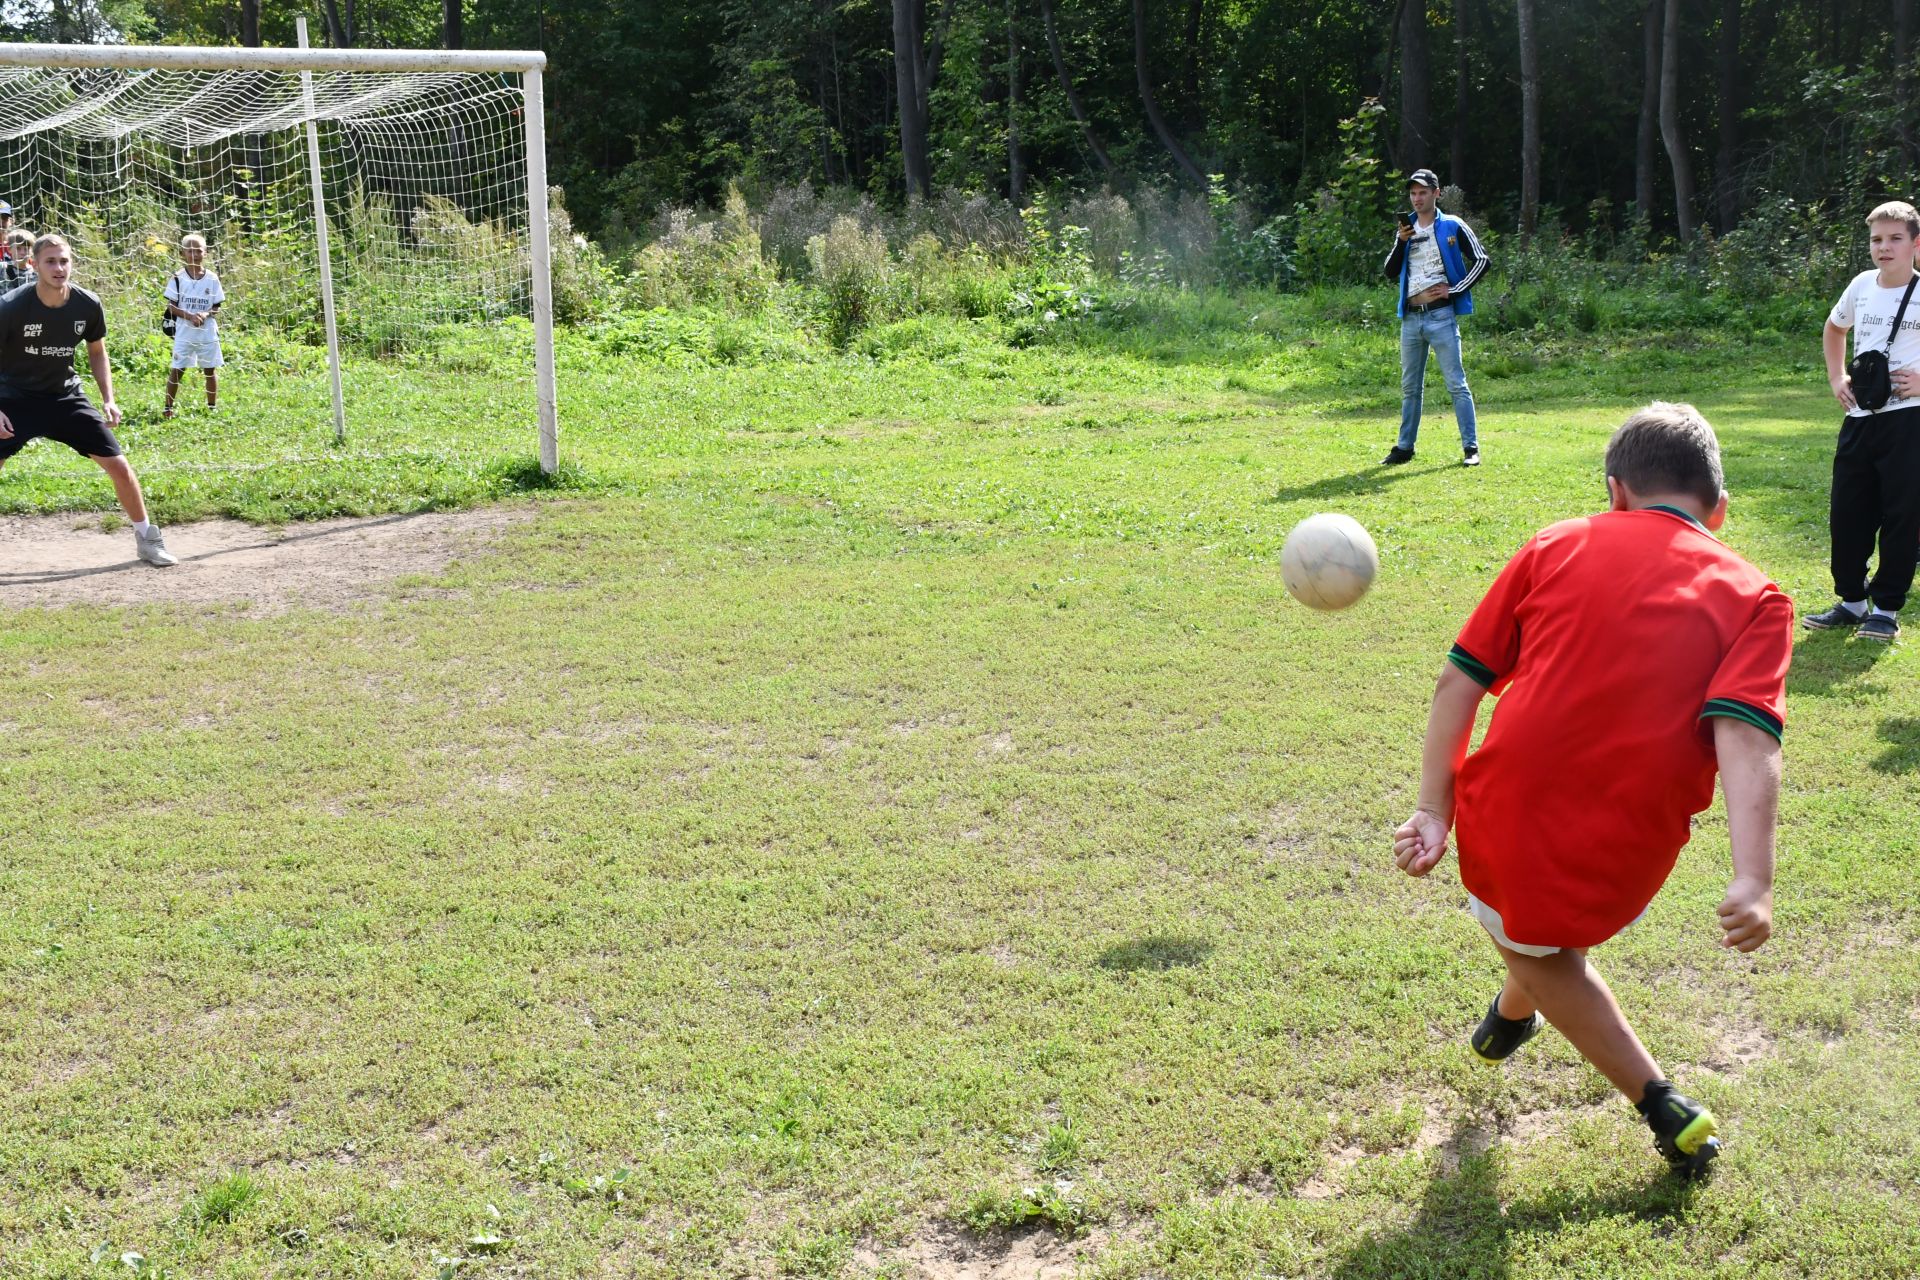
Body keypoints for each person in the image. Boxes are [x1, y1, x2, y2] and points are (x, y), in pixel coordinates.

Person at [1393, 402, 1790, 1177]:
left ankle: (1660, 1103)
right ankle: (1512, 1016)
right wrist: (1753, 877)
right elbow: (1746, 737)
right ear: (1721, 510)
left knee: (1534, 940)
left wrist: (1434, 807)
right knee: (1540, 931)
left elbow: (1458, 682)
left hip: (1510, 809)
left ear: (1616, 492)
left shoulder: (1557, 543)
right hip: (1636, 842)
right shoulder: (1757, 595)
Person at [0, 233, 177, 567]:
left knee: (119, 466)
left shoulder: (87, 303)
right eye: (50, 261)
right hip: (14, 397)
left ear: (72, 263)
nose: (58, 267)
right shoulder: (10, 306)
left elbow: (97, 350)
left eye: (64, 260)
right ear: (33, 264)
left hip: (65, 397)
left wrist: (108, 398)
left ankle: (148, 540)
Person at [1802, 200, 1920, 643]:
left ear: (1915, 244)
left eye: (1894, 239)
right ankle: (1851, 601)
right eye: (1876, 240)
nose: (1884, 248)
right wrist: (1836, 379)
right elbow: (1835, 330)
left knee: (1901, 514)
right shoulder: (1860, 286)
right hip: (1860, 418)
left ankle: (1886, 609)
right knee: (1848, 511)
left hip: (1909, 421)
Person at [1380, 168, 1488, 467]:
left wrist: (1455, 290)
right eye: (1413, 193)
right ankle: (1404, 448)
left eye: (1423, 192)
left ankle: (1471, 448)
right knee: (1410, 387)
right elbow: (1389, 272)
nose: (1417, 198)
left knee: (1456, 383)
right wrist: (1401, 242)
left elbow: (1482, 260)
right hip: (1411, 318)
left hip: (1441, 316)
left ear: (1436, 193)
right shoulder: (1406, 229)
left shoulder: (1452, 225)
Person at [162, 232, 224, 418]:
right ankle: (167, 408)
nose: (194, 255)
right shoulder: (177, 278)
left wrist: (204, 314)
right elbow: (171, 307)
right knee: (177, 369)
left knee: (209, 370)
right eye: (190, 251)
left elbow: (217, 306)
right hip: (184, 332)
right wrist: (189, 316)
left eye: (198, 251)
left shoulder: (212, 278)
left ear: (205, 253)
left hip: (207, 332)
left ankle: (212, 407)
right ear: (183, 253)